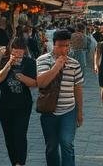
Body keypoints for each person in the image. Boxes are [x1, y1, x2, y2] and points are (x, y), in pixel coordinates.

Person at [35, 29, 85, 166]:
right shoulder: (43, 60)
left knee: (66, 142)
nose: (64, 49)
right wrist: (57, 66)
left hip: (69, 111)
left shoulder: (74, 64)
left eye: (67, 46)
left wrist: (80, 112)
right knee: (51, 146)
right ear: (53, 44)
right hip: (49, 111)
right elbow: (41, 82)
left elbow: (78, 89)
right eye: (61, 46)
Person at [0, 37, 39, 166]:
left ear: (24, 51)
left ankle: (21, 163)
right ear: (10, 49)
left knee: (20, 135)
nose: (18, 55)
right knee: (9, 137)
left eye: (20, 52)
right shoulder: (3, 60)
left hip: (23, 105)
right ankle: (14, 162)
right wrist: (8, 65)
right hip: (4, 106)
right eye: (15, 52)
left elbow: (34, 83)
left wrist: (22, 77)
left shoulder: (30, 62)